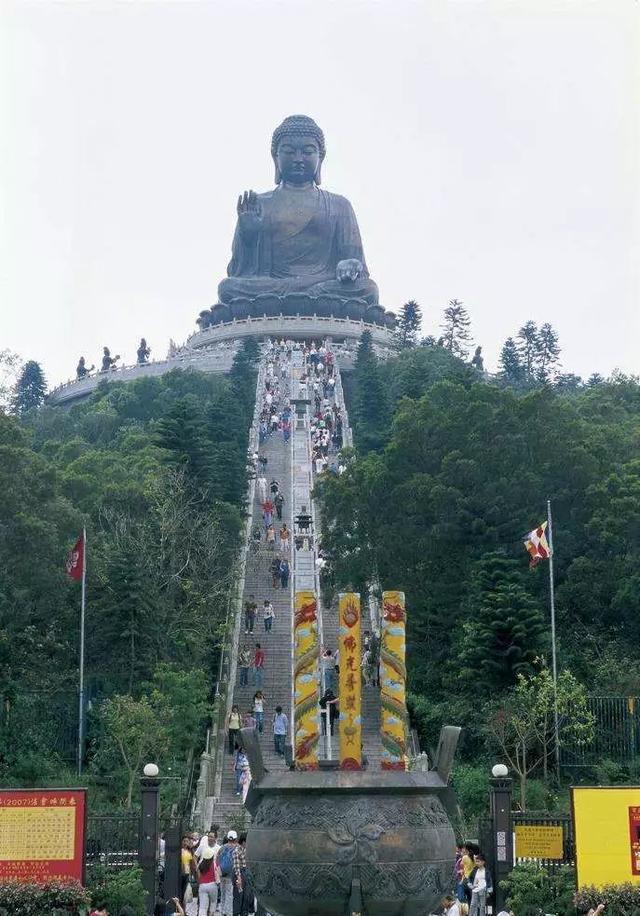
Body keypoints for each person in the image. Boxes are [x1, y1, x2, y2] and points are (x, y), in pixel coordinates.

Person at [216, 830, 238, 916]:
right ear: (235, 838)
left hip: (222, 873)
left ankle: (222, 911)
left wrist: (219, 871)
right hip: (231, 874)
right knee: (229, 894)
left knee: (222, 892)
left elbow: (217, 860)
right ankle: (228, 912)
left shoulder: (222, 847)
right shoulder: (236, 848)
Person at [467, 851, 492, 916]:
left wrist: (489, 891)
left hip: (483, 890)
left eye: (478, 861)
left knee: (482, 906)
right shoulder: (475, 869)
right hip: (475, 890)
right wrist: (470, 884)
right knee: (473, 905)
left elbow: (489, 881)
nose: (477, 863)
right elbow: (469, 877)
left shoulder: (486, 871)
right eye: (476, 861)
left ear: (483, 862)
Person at [233, 832, 252, 916]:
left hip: (247, 873)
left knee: (246, 897)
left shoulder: (248, 849)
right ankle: (236, 913)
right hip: (240, 874)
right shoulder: (237, 850)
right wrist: (239, 879)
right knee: (238, 897)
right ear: (243, 841)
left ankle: (245, 913)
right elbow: (236, 867)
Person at [196, 846, 219, 916]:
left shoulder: (200, 865)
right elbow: (219, 874)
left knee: (202, 906)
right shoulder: (215, 864)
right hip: (213, 885)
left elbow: (198, 876)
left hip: (202, 886)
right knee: (213, 902)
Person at [180, 835, 196, 907]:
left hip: (187, 874)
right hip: (180, 874)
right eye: (184, 841)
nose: (185, 843)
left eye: (187, 841)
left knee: (185, 894)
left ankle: (184, 909)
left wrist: (192, 873)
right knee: (180, 892)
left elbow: (192, 864)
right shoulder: (179, 851)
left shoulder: (189, 852)